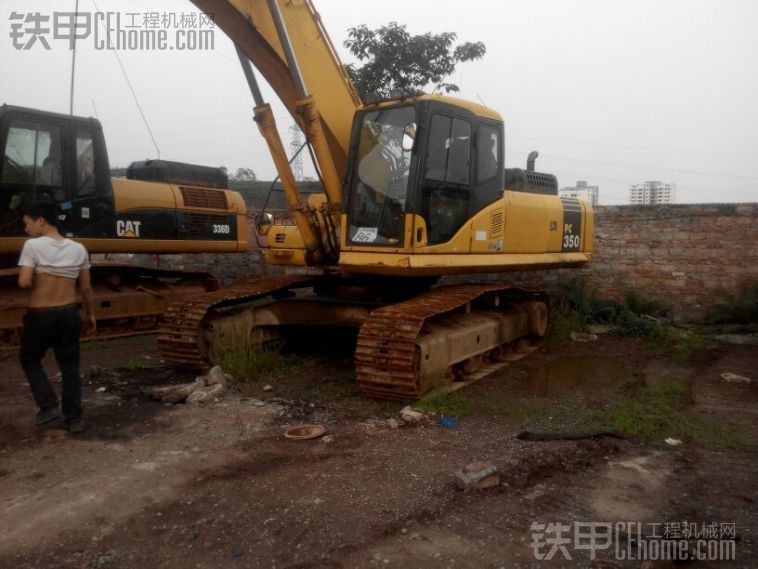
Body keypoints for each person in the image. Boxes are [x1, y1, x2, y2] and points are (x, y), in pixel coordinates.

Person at [17, 202, 96, 433]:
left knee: (29, 359)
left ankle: (48, 405)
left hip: (40, 315)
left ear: (40, 220)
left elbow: (23, 282)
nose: (26, 229)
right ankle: (74, 419)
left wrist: (33, 275)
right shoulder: (78, 248)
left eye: (27, 223)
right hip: (69, 314)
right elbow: (87, 289)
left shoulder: (32, 246)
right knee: (70, 367)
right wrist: (90, 315)